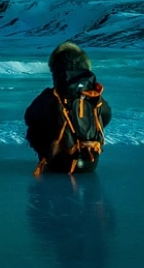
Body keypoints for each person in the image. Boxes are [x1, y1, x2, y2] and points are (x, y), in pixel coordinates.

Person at [24, 41, 111, 175]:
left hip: (59, 165)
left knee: (36, 124)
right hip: (90, 163)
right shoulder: (94, 95)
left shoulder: (49, 97)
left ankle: (50, 157)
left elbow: (29, 117)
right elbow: (107, 116)